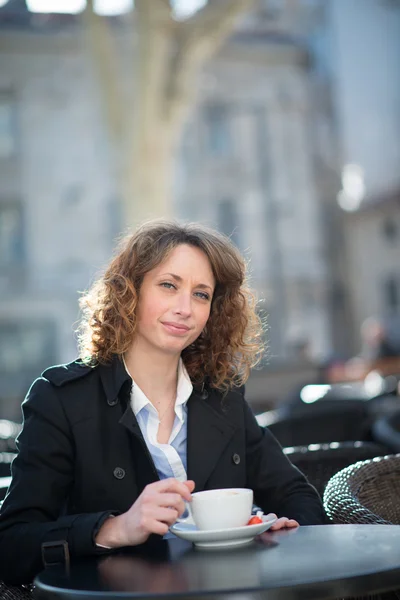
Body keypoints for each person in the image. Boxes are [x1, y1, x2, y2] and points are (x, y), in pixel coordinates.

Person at [0, 220, 325, 585]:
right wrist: (114, 528)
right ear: (130, 291)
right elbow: (11, 544)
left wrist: (288, 528)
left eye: (201, 294)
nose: (185, 308)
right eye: (169, 286)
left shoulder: (222, 394)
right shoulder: (60, 398)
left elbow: (298, 495)